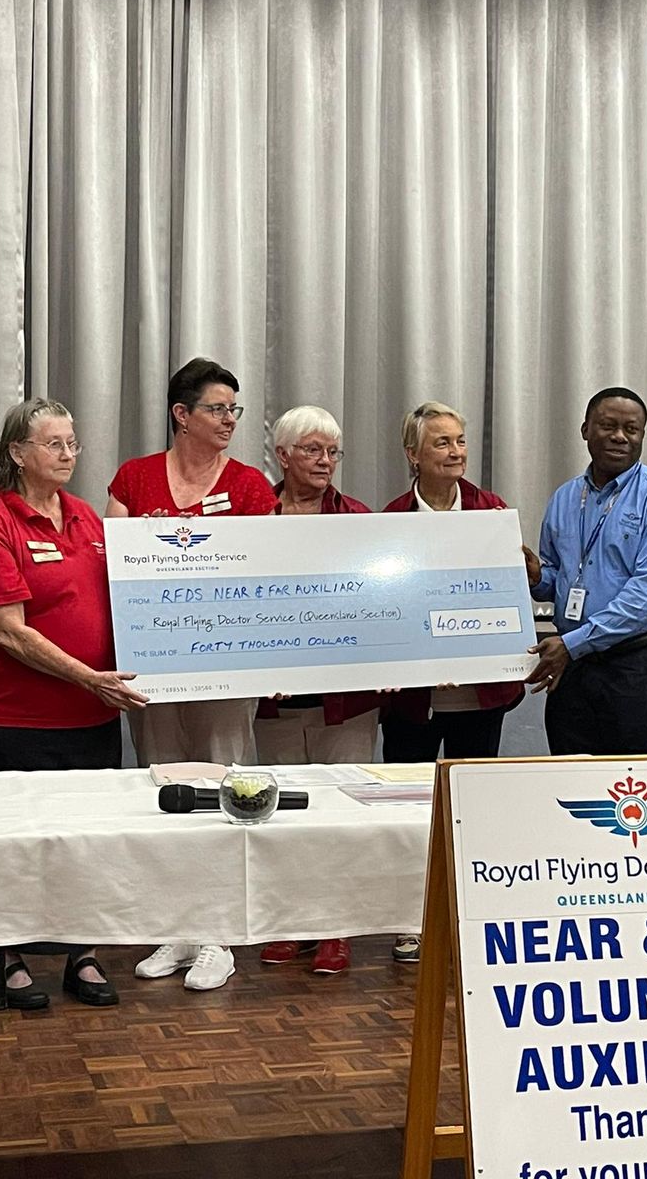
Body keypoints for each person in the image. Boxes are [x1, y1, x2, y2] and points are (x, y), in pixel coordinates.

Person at [107, 357, 278, 992]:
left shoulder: (253, 486)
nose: (230, 419)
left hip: (225, 667)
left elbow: (264, 578)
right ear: (182, 415)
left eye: (235, 409)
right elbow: (115, 571)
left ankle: (219, 934)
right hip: (151, 665)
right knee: (167, 789)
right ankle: (176, 923)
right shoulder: (135, 478)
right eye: (217, 408)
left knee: (228, 789)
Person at [0, 398, 149, 1010]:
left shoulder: (86, 520)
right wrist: (90, 677)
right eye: (54, 444)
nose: (69, 453)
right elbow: (6, 630)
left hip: (91, 717)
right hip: (11, 719)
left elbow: (134, 603)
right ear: (18, 453)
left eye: (73, 442)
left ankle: (83, 953)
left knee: (87, 840)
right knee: (19, 845)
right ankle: (9, 959)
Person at [381, 401, 525, 963]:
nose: (456, 452)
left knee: (472, 808)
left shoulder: (492, 511)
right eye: (442, 443)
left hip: (479, 695)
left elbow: (508, 595)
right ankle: (410, 920)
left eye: (461, 441)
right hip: (412, 700)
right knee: (410, 810)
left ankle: (469, 917)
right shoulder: (389, 518)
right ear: (413, 455)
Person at [255, 405, 380, 976]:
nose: (326, 461)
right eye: (312, 450)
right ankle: (291, 925)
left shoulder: (357, 517)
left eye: (333, 452)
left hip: (345, 703)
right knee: (281, 815)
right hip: (272, 702)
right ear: (282, 456)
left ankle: (336, 930)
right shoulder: (252, 516)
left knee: (341, 814)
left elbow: (377, 607)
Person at [525, 387, 647, 755]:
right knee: (570, 785)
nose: (619, 436)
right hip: (573, 669)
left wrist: (572, 644)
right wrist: (539, 578)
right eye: (607, 425)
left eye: (631, 429)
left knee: (632, 789)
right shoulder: (565, 498)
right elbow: (561, 579)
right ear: (585, 429)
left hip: (635, 666)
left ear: (642, 436)